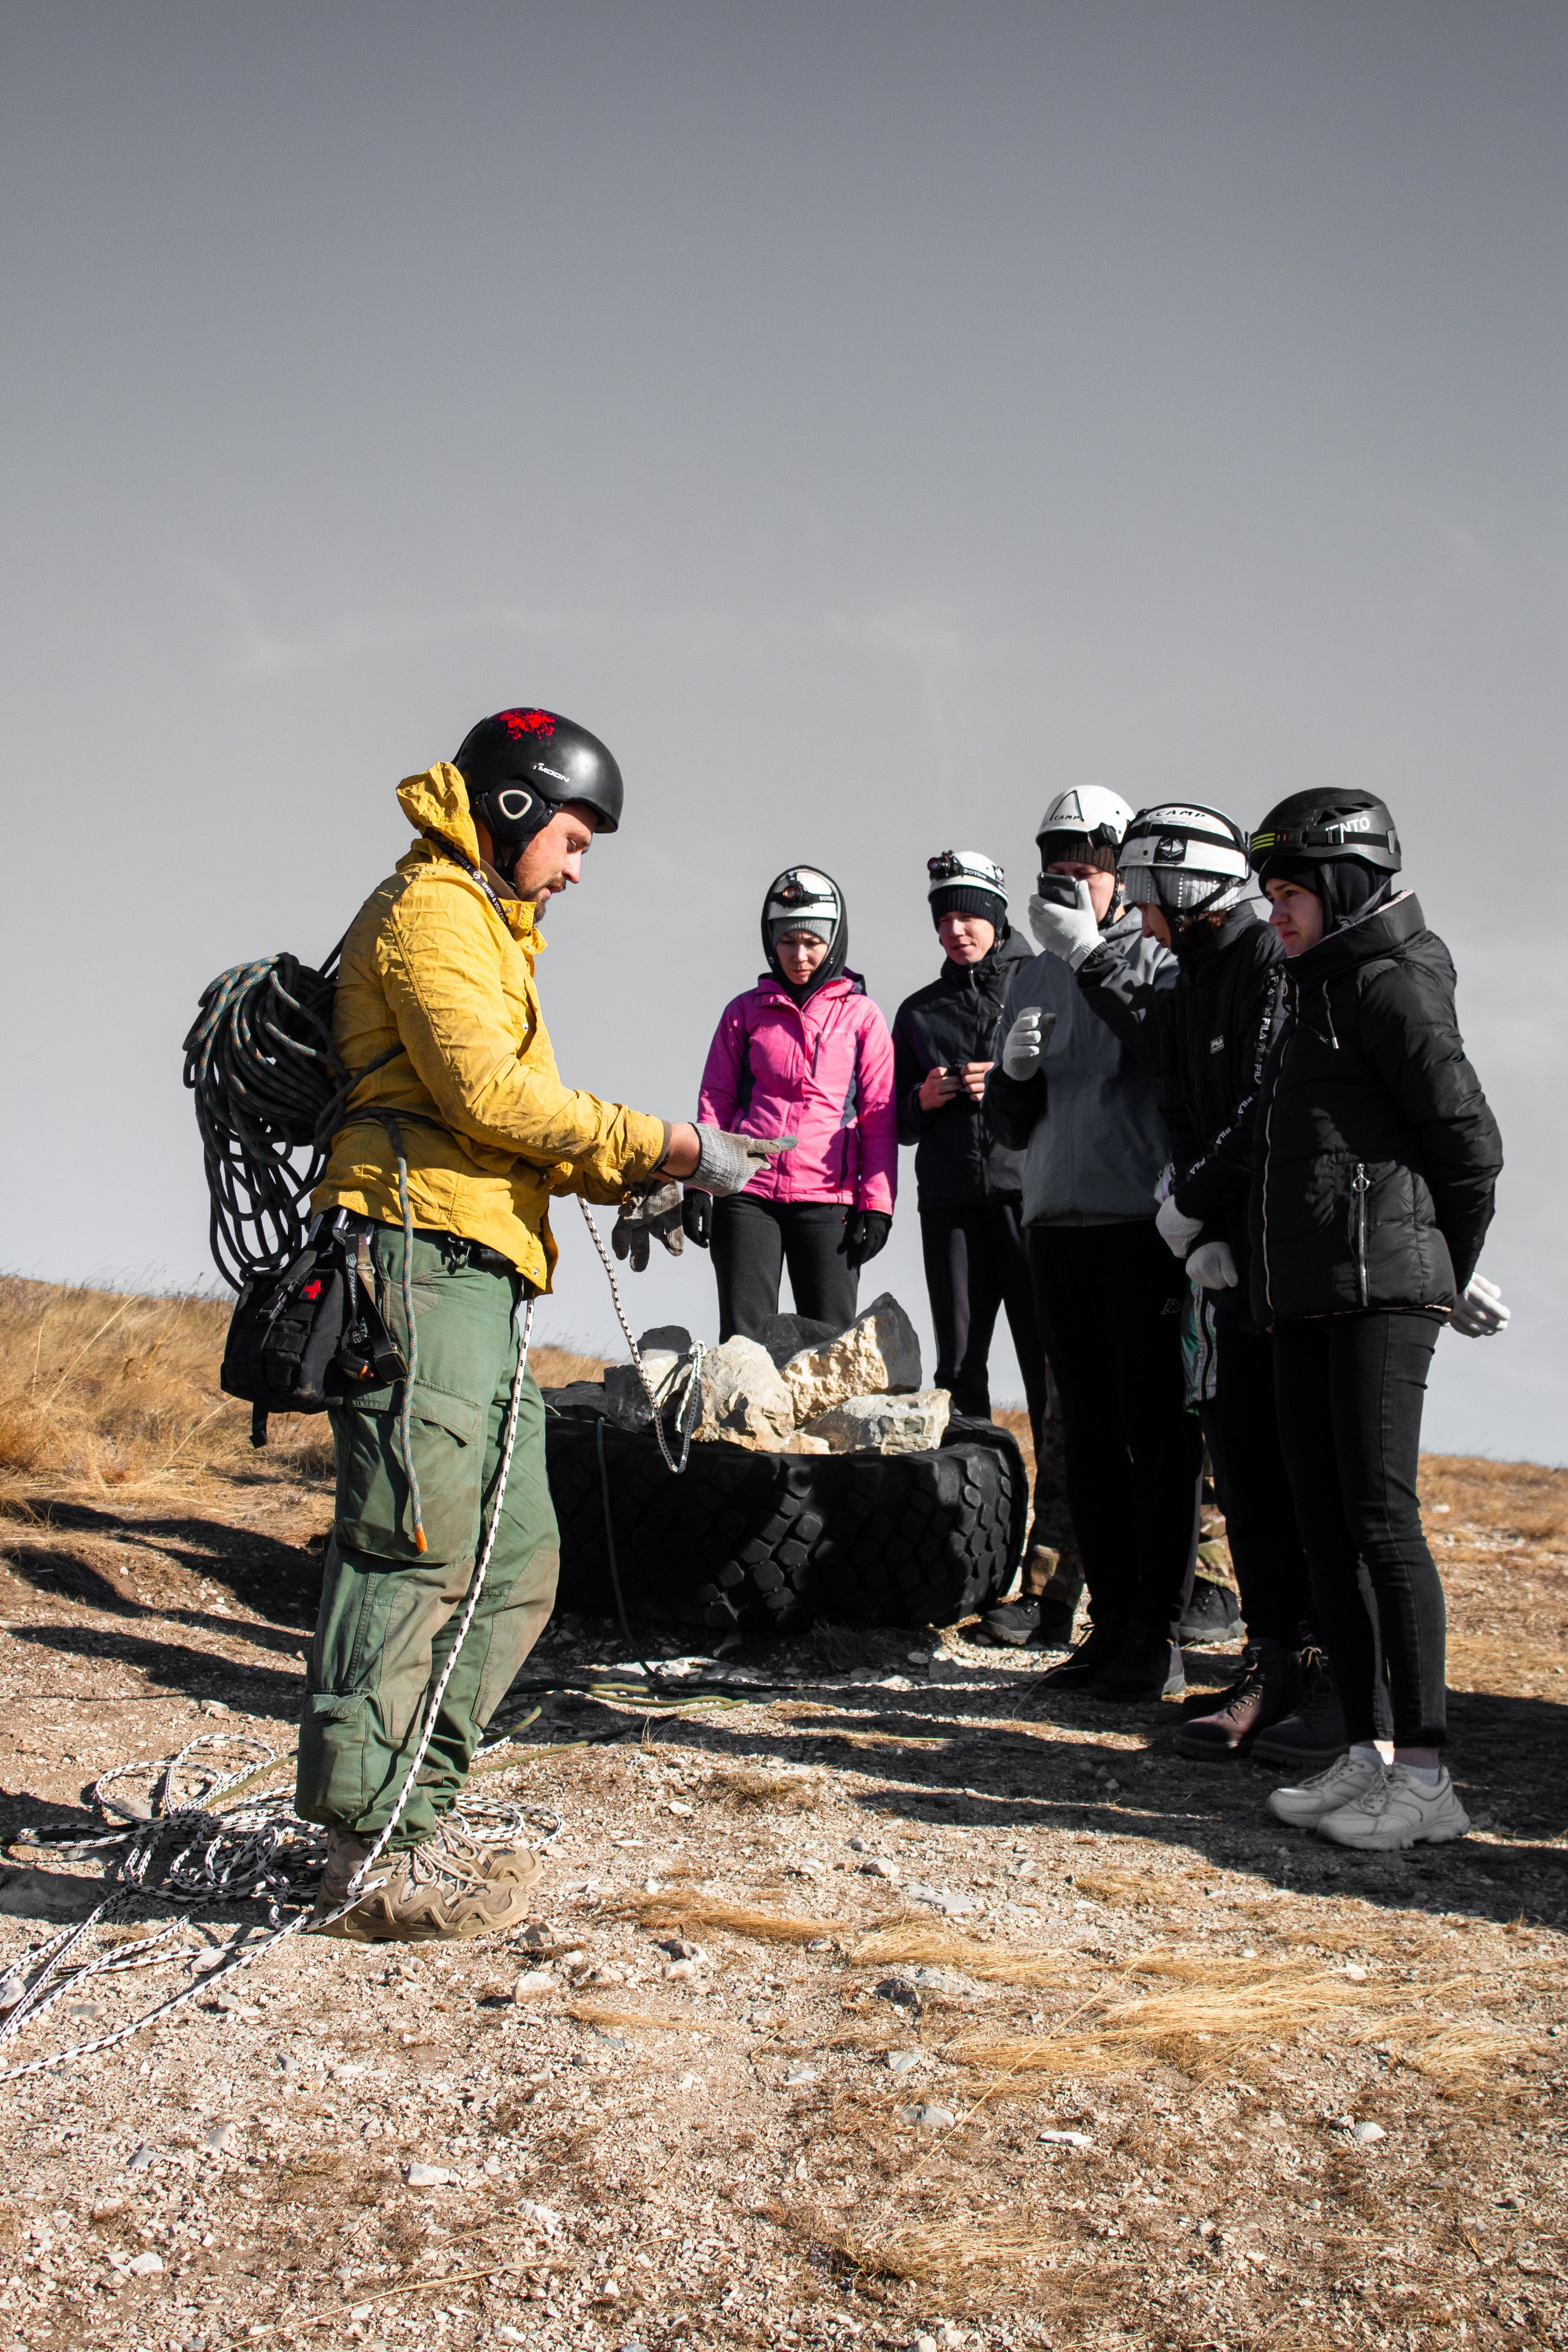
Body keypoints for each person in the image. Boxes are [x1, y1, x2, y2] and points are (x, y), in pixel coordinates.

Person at [299, 706, 784, 1940]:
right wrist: (667, 1145)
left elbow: (504, 1117)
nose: (576, 870)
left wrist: (634, 1178)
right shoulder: (433, 913)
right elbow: (487, 1095)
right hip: (416, 1257)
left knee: (517, 1562)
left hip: (479, 1268)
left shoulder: (488, 924)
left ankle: (411, 1818)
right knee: (412, 1543)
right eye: (571, 840)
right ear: (513, 809)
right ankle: (363, 1848)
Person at [1236, 790, 1506, 1850]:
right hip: (1306, 1294)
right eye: (1269, 893)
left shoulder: (1394, 985)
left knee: (1383, 1525)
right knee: (1324, 1529)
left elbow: (1472, 1148)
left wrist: (1439, 1273)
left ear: (1344, 885)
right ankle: (1367, 1749)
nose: (1276, 913)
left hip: (1381, 1294)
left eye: (1291, 893)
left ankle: (1428, 1779)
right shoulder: (1312, 990)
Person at [1107, 801, 1324, 1761]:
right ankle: (1270, 1662)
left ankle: (1322, 1671)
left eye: (1147, 896)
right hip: (1223, 1261)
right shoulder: (1188, 978)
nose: (1139, 917)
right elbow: (1181, 1108)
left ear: (1186, 887)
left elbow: (1265, 1106)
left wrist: (1205, 1211)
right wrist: (1195, 1222)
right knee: (1240, 1466)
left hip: (1280, 1256)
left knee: (1295, 1470)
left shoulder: (1264, 962)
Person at [984, 788, 1204, 1702]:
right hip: (1054, 1223)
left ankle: (1159, 1633)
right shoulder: (1030, 975)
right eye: (1055, 871)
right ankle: (1109, 1626)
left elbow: (1173, 1064)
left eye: (1085, 870)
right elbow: (1008, 1125)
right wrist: (1012, 1076)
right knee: (1087, 1438)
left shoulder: (1157, 958)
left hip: (1139, 1228)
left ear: (1121, 874)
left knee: (1156, 1435)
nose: (1068, 885)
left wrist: (1091, 958)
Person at [891, 851, 1080, 1643]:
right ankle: (965, 1559)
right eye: (943, 918)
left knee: (1049, 1383)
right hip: (951, 1207)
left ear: (997, 917)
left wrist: (1006, 1079)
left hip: (1031, 1203)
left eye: (968, 914)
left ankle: (1049, 1579)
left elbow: (1075, 1084)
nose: (955, 929)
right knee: (959, 1374)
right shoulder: (918, 1010)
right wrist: (922, 1098)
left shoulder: (1045, 982)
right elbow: (895, 1120)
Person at [684, 868, 897, 1341]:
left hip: (829, 1202)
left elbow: (880, 1119)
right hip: (746, 1194)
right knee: (743, 1345)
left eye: (812, 943)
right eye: (787, 942)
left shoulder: (864, 1016)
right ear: (770, 941)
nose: (799, 956)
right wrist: (699, 1183)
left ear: (834, 942)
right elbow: (716, 1102)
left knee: (828, 1347)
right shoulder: (744, 1012)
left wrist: (877, 1206)